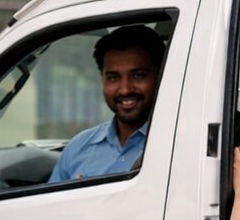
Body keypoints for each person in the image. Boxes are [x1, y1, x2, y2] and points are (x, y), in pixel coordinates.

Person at [47, 24, 165, 183]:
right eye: (113, 77)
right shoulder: (78, 149)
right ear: (102, 79)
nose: (125, 89)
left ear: (161, 76)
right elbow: (52, 207)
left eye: (138, 75)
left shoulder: (178, 145)